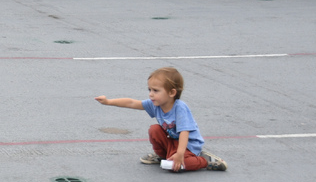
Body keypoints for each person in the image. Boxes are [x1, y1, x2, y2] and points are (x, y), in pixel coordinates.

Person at [95, 66, 227, 172]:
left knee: (182, 164)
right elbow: (131, 103)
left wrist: (180, 154)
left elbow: (184, 132)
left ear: (171, 93)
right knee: (154, 129)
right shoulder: (155, 104)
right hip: (173, 142)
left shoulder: (180, 108)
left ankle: (204, 160)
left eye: (156, 90)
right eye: (149, 89)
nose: (151, 94)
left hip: (188, 146)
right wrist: (108, 101)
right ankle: (163, 156)